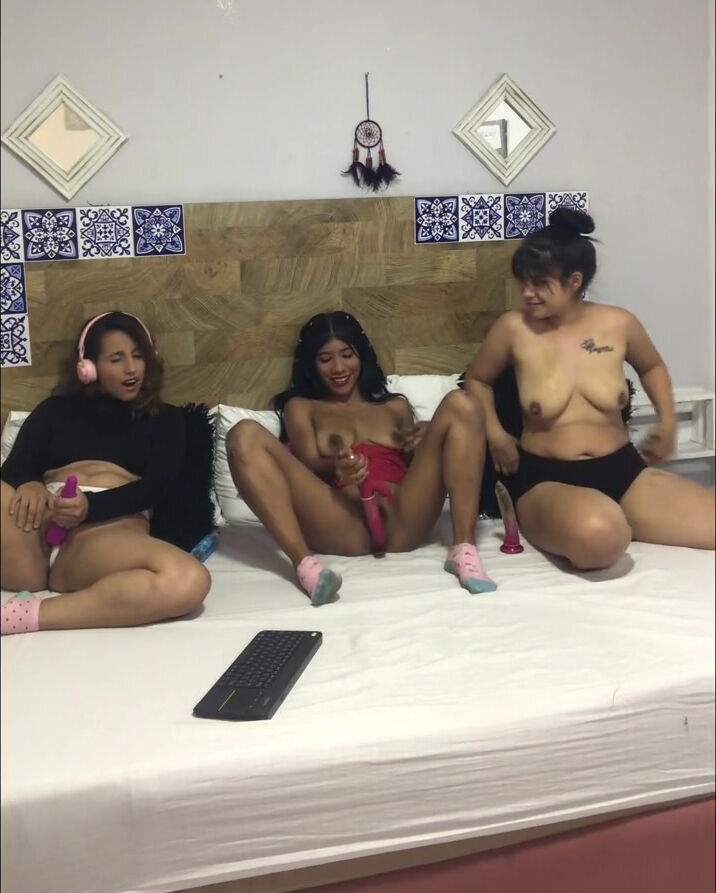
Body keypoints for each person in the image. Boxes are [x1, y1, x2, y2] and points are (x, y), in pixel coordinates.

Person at [465, 209, 715, 572]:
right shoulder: (513, 328)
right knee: (601, 540)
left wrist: (667, 422)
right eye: (523, 282)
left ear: (574, 281)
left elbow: (652, 367)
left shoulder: (619, 322)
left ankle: (619, 515)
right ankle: (592, 520)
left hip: (624, 471)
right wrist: (495, 435)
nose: (527, 293)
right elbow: (477, 380)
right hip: (547, 480)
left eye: (540, 283)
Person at [227, 311, 491, 604]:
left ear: (361, 355)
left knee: (462, 403)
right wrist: (337, 467)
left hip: (403, 519)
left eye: (346, 355)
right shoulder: (302, 407)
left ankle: (464, 549)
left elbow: (417, 467)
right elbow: (307, 463)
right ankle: (306, 566)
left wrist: (425, 438)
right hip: (341, 522)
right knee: (243, 434)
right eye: (325, 359)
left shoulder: (395, 406)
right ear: (312, 364)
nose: (338, 368)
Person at [1, 311, 211, 634]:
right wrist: (28, 482)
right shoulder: (54, 409)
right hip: (36, 528)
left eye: (138, 356)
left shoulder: (167, 419)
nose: (131, 368)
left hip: (105, 531)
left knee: (189, 580)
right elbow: (17, 463)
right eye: (117, 359)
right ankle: (33, 578)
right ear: (88, 366)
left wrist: (89, 507)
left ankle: (28, 615)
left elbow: (156, 487)